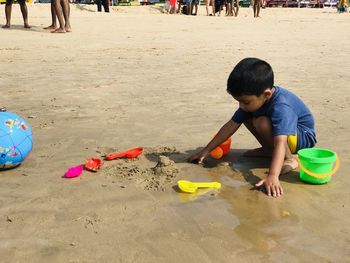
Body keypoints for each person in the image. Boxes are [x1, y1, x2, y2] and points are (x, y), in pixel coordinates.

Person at [188, 58, 317, 198]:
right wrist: (206, 151)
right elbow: (231, 125)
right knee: (247, 116)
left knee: (262, 122)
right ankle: (269, 150)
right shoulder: (253, 101)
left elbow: (281, 140)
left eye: (245, 102)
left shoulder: (282, 106)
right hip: (282, 136)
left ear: (266, 94)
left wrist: (273, 176)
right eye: (239, 102)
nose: (241, 106)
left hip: (301, 137)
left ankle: (289, 159)